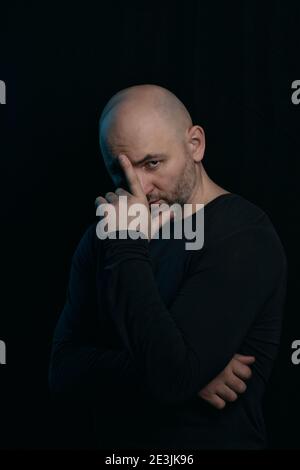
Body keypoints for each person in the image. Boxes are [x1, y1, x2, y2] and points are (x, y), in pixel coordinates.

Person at [48, 84, 287, 449]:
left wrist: (127, 244)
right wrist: (193, 376)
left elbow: (171, 376)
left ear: (195, 145)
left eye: (152, 163)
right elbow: (63, 373)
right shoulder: (105, 236)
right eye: (120, 170)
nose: (140, 188)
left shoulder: (244, 234)